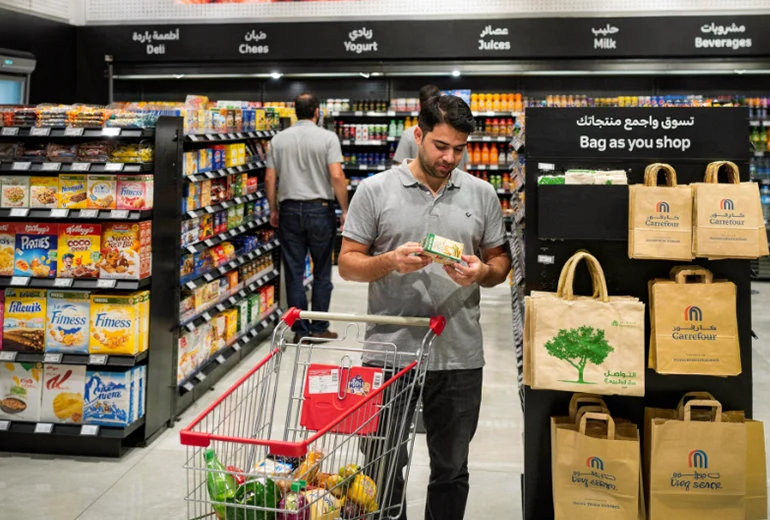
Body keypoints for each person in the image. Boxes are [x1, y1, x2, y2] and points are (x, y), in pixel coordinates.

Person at [338, 95, 511, 520]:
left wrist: (480, 273)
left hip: (459, 354)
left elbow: (501, 263)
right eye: (440, 146)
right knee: (380, 467)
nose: (449, 157)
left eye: (459, 148)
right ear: (418, 134)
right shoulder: (375, 190)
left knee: (451, 469)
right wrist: (388, 261)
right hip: (388, 353)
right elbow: (347, 263)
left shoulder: (483, 194)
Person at [266, 92, 349, 341]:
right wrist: (345, 209)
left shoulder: (278, 139)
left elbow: (270, 178)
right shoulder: (327, 138)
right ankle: (319, 327)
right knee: (322, 271)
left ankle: (299, 330)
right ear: (317, 112)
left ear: (295, 112)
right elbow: (336, 175)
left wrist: (273, 209)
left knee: (294, 273)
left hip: (289, 210)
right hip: (319, 209)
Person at [393, 84, 470, 171]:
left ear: (420, 105)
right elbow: (464, 167)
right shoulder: (458, 132)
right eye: (440, 146)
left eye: (458, 149)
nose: (449, 159)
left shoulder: (408, 134)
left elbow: (401, 168)